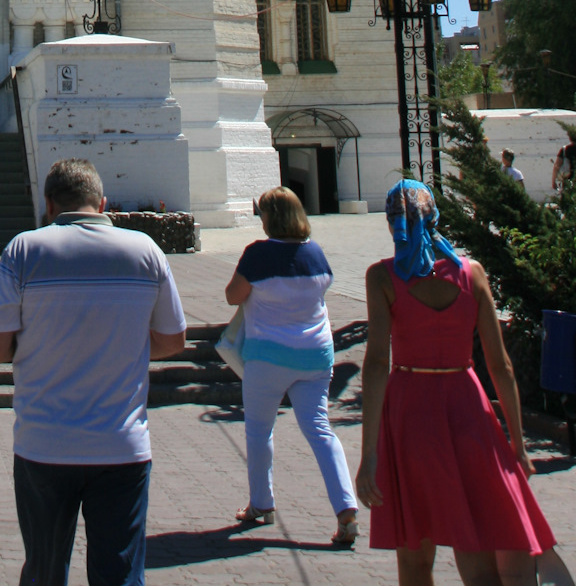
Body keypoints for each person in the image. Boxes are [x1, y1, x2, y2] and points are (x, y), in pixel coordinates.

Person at [0, 157, 186, 586]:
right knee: (121, 575)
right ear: (103, 202)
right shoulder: (145, 250)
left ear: (49, 204)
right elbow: (172, 340)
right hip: (122, 447)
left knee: (44, 571)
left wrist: (39, 345)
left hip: (44, 444)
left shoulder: (24, 249)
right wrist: (121, 345)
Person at [355, 178, 554, 584]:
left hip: (410, 413)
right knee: (476, 550)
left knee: (414, 555)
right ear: (435, 219)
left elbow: (376, 365)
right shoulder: (472, 273)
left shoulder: (382, 277)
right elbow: (501, 367)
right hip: (468, 407)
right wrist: (517, 445)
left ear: (394, 224)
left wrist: (369, 455)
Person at [224, 185, 358, 546]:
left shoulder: (258, 255)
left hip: (267, 356)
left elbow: (231, 295)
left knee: (259, 430)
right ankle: (346, 506)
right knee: (319, 429)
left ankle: (261, 504)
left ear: (270, 218)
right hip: (315, 355)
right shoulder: (315, 254)